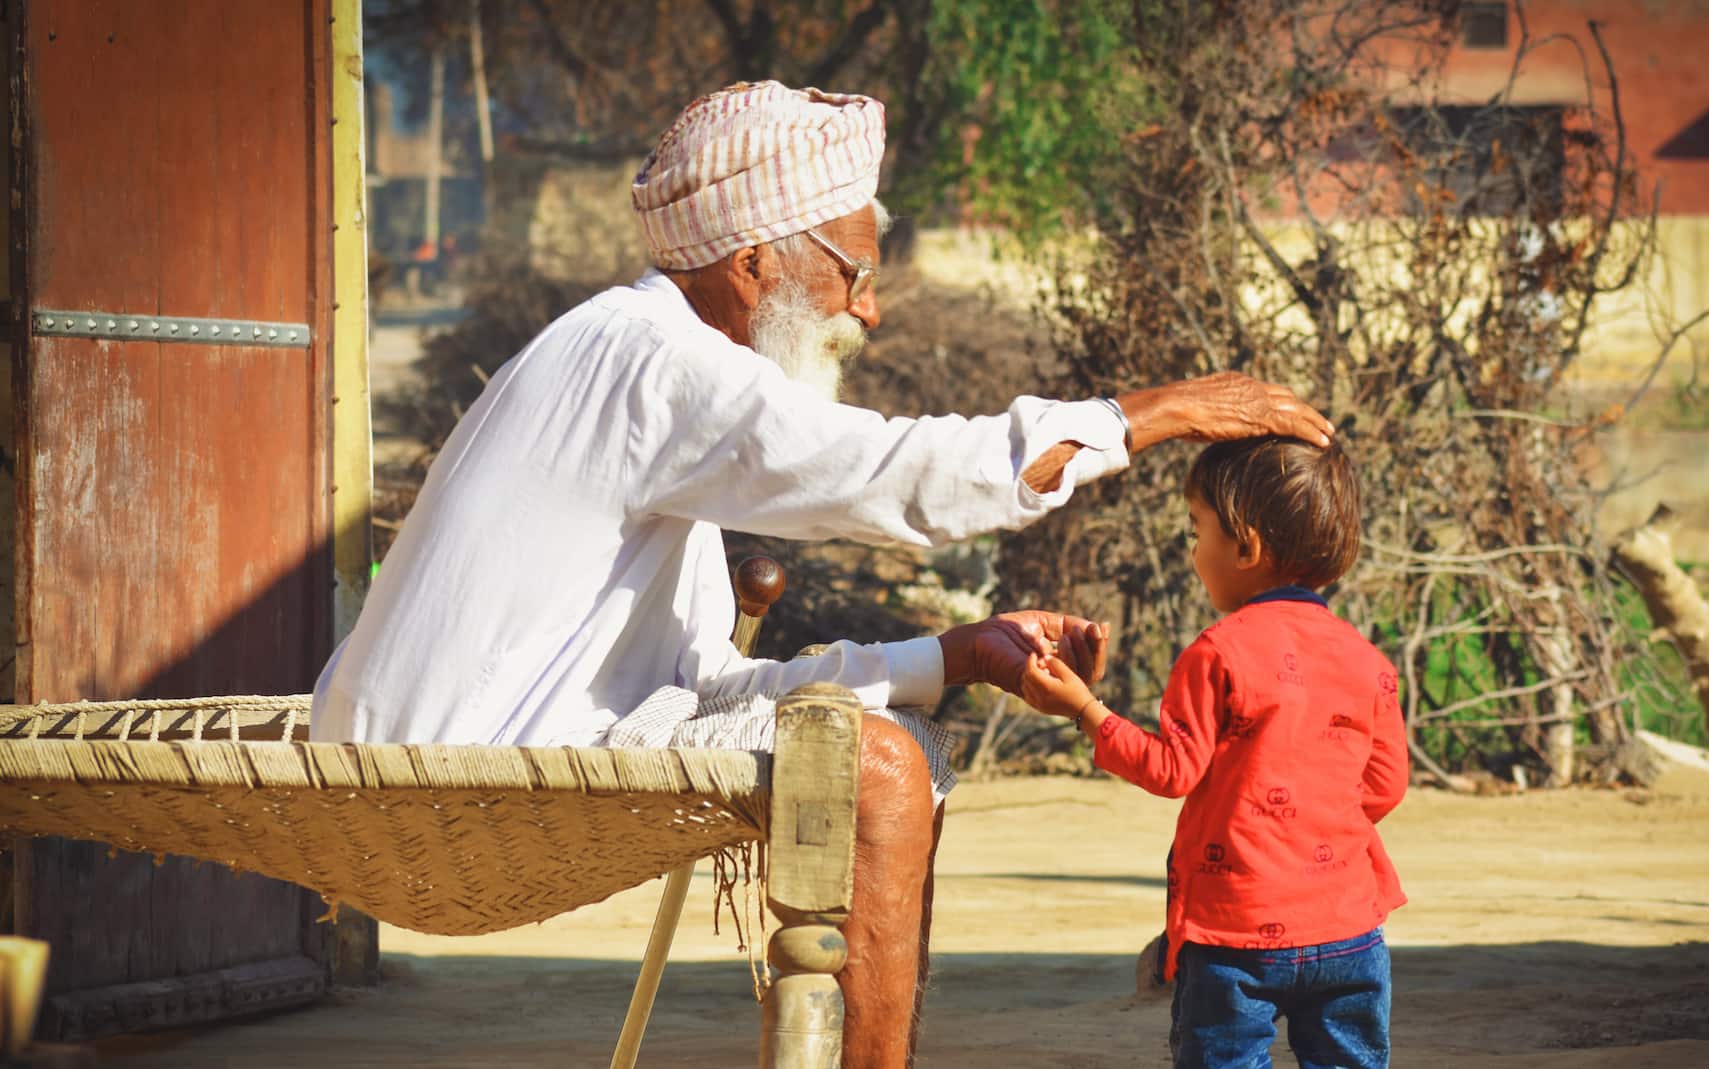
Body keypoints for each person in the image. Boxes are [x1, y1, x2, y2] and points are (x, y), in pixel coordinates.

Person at [315, 81, 1333, 1068]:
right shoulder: (656, 363)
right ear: (754, 260)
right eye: (852, 273)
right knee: (877, 772)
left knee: (876, 741)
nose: (869, 310)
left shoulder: (623, 357)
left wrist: (955, 656)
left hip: (471, 762)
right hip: (438, 790)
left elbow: (695, 695)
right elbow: (892, 476)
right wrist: (1139, 419)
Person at [1015, 435, 1408, 1069]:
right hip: (1349, 929)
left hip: (1236, 931)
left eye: (1197, 530)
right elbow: (1384, 787)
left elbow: (1173, 771)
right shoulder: (1367, 661)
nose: (1194, 550)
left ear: (1247, 546)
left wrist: (1088, 711)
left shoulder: (1217, 653)